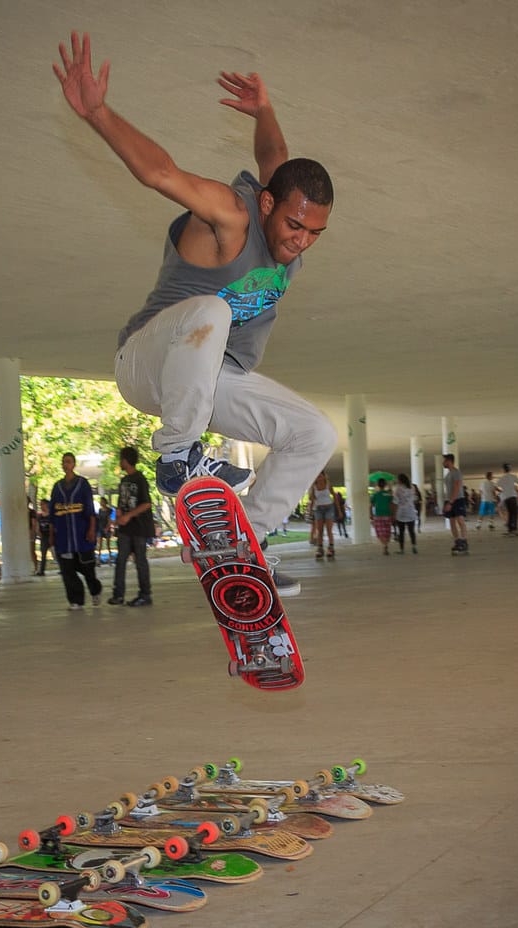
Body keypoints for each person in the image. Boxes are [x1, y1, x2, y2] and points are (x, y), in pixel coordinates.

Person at [54, 32, 337, 599]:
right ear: (265, 204)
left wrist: (264, 109)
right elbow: (162, 173)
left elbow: (273, 157)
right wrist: (97, 113)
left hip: (210, 381)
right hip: (149, 362)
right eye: (292, 226)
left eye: (314, 233)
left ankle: (243, 545)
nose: (301, 242)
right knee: (211, 309)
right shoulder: (231, 216)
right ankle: (178, 457)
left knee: (315, 433)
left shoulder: (281, 198)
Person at [50, 452, 102, 609]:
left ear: (73, 464)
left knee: (87, 568)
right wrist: (52, 534)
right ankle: (76, 600)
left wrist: (92, 530)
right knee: (67, 571)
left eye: (68, 462)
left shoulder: (83, 484)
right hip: (64, 538)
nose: (66, 465)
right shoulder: (57, 488)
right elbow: (53, 514)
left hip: (82, 535)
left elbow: (90, 510)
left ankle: (95, 591)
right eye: (63, 462)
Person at [108, 446, 155, 606]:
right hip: (125, 529)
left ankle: (145, 594)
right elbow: (121, 502)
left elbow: (147, 504)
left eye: (121, 459)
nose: (119, 462)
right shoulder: (124, 481)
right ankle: (118, 594)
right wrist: (119, 514)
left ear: (126, 460)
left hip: (139, 527)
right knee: (120, 560)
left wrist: (129, 515)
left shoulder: (140, 479)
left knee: (140, 560)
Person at [442, 454, 468, 553]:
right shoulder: (448, 475)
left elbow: (457, 487)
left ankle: (464, 541)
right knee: (452, 522)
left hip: (458, 499)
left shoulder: (456, 472)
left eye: (444, 461)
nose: (442, 463)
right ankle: (457, 542)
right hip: (449, 500)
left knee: (460, 520)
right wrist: (447, 502)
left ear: (449, 461)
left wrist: (451, 502)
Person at [309, 472, 338, 560]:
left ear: (324, 476)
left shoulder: (328, 485)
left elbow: (335, 497)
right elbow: (313, 500)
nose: (319, 478)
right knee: (320, 530)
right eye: (317, 476)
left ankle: (331, 548)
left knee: (329, 530)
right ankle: (320, 549)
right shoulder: (313, 487)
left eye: (321, 476)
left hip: (329, 508)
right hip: (318, 509)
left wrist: (339, 510)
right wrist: (310, 511)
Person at [392, 473, 418, 554]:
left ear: (400, 480)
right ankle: (414, 547)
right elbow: (415, 498)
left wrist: (394, 513)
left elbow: (395, 502)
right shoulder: (412, 487)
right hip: (411, 511)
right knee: (411, 531)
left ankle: (402, 549)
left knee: (401, 531)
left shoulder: (398, 489)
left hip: (401, 512)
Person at [370, 478, 394, 555]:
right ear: (385, 485)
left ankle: (384, 545)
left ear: (378, 485)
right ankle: (386, 544)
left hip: (378, 516)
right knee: (387, 532)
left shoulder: (375, 495)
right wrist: (393, 514)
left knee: (380, 532)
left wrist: (371, 515)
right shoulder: (389, 495)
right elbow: (391, 505)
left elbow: (371, 505)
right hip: (387, 515)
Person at [498, 463, 518, 537]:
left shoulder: (501, 478)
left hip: (506, 497)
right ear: (510, 469)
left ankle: (510, 530)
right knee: (515, 513)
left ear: (503, 470)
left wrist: (502, 491)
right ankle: (515, 529)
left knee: (510, 513)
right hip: (513, 496)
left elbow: (496, 487)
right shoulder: (513, 476)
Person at [35, 499, 52, 576]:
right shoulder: (40, 516)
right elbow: (38, 525)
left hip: (51, 535)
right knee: (43, 554)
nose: (41, 506)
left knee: (56, 553)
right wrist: (39, 533)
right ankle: (42, 570)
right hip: (44, 536)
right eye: (40, 504)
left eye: (43, 504)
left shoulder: (51, 515)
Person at [96, 497, 113, 562]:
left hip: (106, 528)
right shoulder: (100, 510)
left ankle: (110, 558)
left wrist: (107, 528)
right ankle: (98, 559)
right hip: (100, 528)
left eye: (102, 501)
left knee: (108, 544)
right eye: (101, 501)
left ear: (105, 502)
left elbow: (109, 520)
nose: (101, 502)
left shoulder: (109, 510)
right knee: (99, 544)